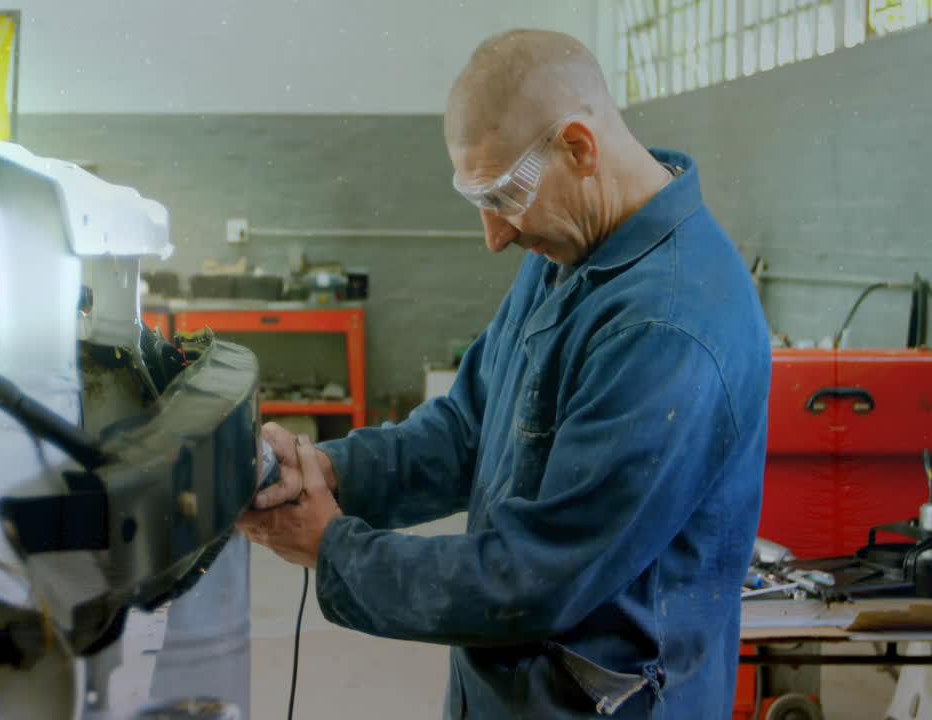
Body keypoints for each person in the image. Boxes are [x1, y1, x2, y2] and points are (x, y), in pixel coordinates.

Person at [236, 29, 771, 719]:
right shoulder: (573, 249)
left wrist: (335, 548)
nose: (495, 236)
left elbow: (537, 576)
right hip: (517, 691)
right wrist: (323, 471)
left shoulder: (668, 327)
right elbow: (468, 427)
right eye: (479, 200)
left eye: (503, 196)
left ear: (580, 148)